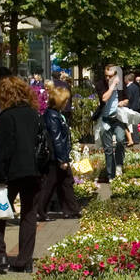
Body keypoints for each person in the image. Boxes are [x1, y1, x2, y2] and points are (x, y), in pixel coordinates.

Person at [0, 76, 42, 274]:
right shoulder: (34, 115)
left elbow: (2, 149)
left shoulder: (7, 117)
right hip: (33, 171)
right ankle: (24, 260)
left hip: (11, 173)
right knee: (28, 214)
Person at [34, 85, 81, 221]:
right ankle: (40, 211)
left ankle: (71, 210)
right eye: (65, 100)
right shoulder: (52, 116)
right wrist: (62, 159)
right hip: (55, 157)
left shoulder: (56, 115)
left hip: (58, 156)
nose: (67, 103)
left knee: (65, 182)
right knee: (51, 184)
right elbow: (57, 139)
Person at [92, 65, 130, 182]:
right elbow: (104, 98)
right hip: (105, 118)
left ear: (116, 75)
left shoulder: (121, 85)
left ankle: (119, 165)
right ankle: (110, 175)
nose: (108, 78)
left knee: (120, 140)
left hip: (117, 118)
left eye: (111, 76)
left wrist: (123, 102)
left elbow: (127, 99)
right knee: (108, 149)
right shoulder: (100, 84)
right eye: (106, 76)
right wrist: (113, 85)